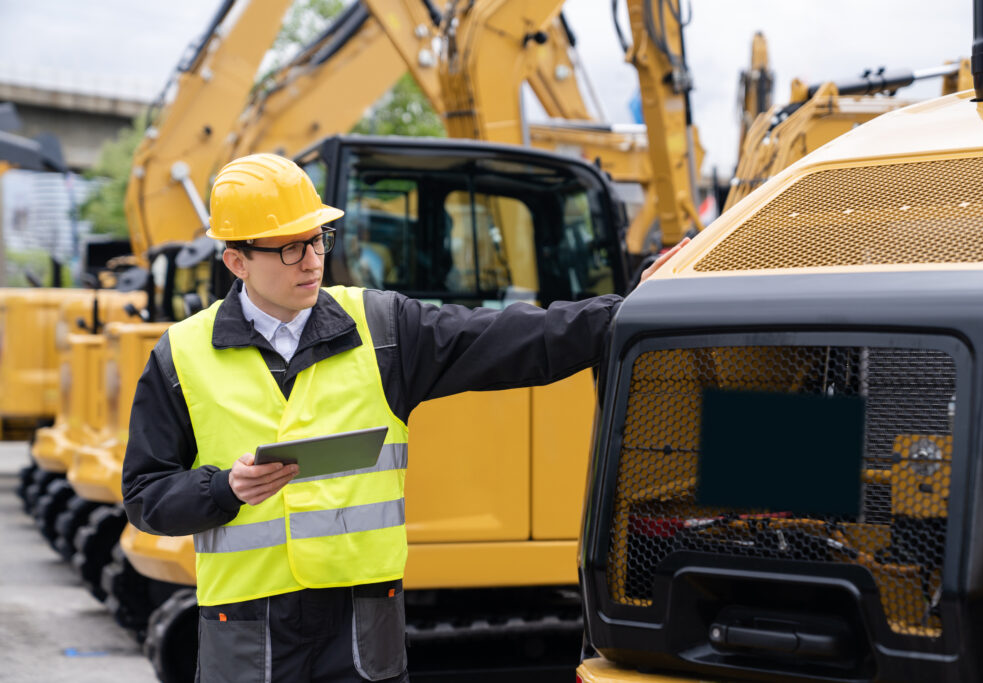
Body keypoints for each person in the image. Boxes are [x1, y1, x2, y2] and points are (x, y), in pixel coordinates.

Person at [121, 153, 683, 683]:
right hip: (245, 625)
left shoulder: (382, 328)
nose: (313, 261)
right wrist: (224, 489)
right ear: (237, 261)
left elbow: (513, 339)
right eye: (291, 249)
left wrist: (629, 309)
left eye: (318, 240)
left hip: (361, 619)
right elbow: (145, 496)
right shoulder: (181, 356)